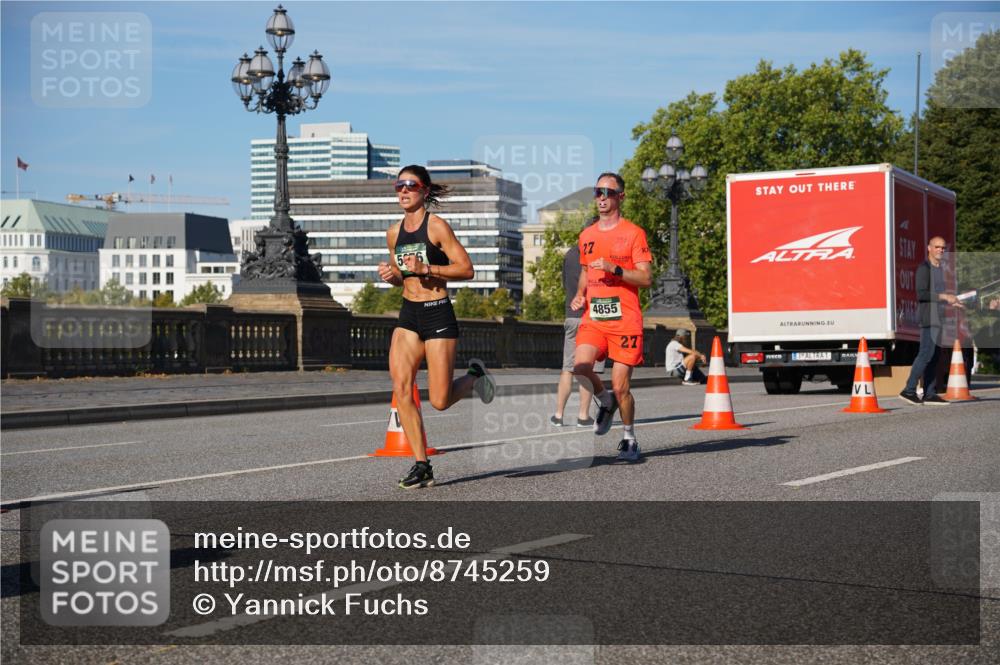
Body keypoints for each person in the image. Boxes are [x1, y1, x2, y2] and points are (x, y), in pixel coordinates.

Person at [377, 165, 496, 489]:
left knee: (440, 401)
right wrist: (393, 277)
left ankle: (475, 377)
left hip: (437, 313)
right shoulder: (393, 233)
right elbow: (404, 277)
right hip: (409, 315)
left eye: (411, 185)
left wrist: (429, 267)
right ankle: (421, 464)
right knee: (402, 388)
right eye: (398, 186)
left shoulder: (437, 227)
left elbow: (467, 269)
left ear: (425, 191)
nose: (403, 191)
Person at [570, 173, 653, 461]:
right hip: (594, 318)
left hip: (625, 320)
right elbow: (585, 271)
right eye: (597, 192)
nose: (602, 197)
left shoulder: (633, 233)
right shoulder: (587, 235)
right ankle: (605, 401)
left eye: (608, 191)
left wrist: (615, 269)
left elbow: (645, 278)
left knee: (621, 386)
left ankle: (629, 437)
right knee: (580, 367)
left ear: (621, 197)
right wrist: (580, 294)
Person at [551, 217, 605, 427]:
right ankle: (583, 415)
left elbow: (566, 283)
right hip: (593, 317)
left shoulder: (570, 254)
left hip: (571, 315)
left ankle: (558, 415)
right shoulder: (598, 256)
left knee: (568, 368)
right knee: (590, 367)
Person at [899, 236, 964, 405]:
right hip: (928, 319)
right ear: (929, 248)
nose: (940, 250)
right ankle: (909, 390)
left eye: (943, 248)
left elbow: (938, 297)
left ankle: (929, 392)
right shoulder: (924, 268)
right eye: (937, 247)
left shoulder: (939, 269)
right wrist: (944, 296)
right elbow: (921, 294)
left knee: (935, 357)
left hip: (939, 318)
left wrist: (953, 302)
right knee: (925, 354)